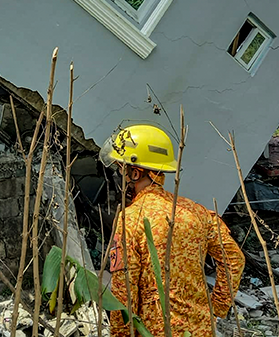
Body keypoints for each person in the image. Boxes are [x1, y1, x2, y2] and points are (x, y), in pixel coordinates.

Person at [100, 124, 245, 337]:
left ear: (136, 172)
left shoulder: (130, 219)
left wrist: (120, 334)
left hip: (156, 330)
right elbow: (234, 260)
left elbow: (124, 292)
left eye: (122, 168)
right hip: (200, 329)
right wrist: (216, 308)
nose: (120, 174)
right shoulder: (197, 212)